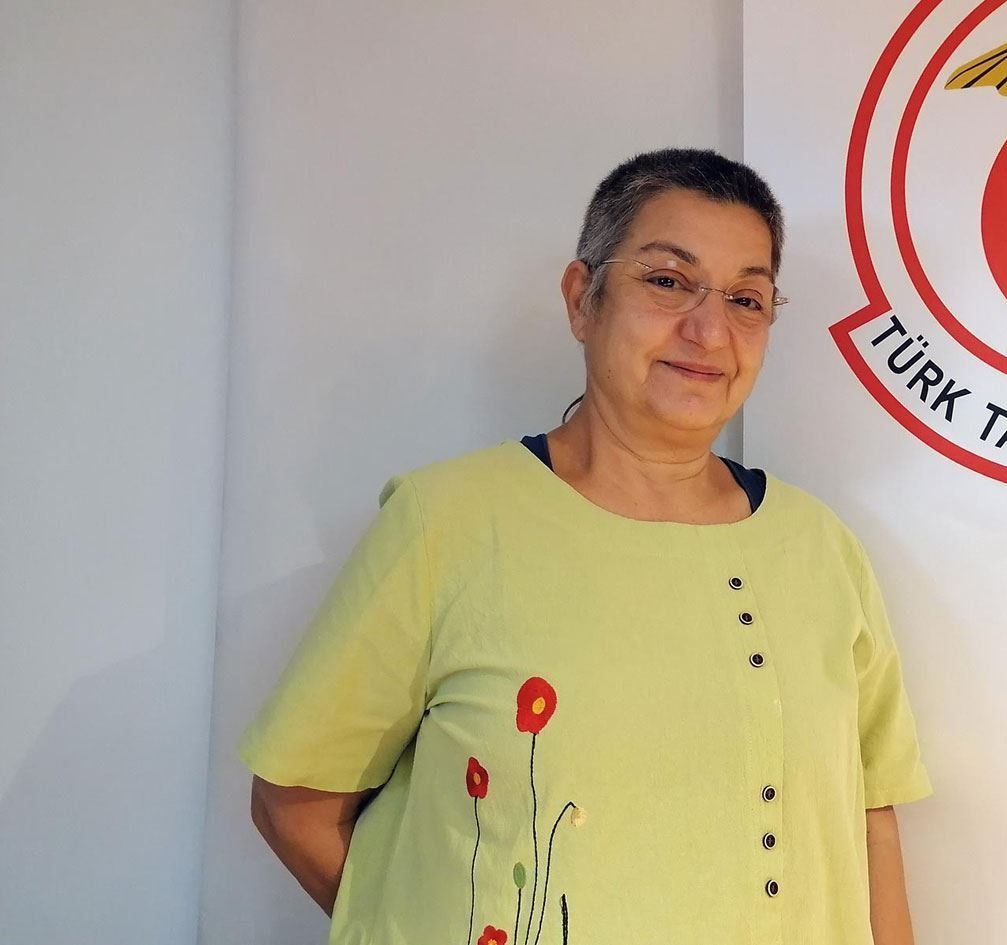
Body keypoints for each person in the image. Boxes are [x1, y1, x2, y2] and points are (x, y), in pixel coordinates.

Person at [239, 147, 935, 945]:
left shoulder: (820, 549)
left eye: (747, 299)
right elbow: (296, 802)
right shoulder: (447, 524)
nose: (709, 330)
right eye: (667, 280)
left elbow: (870, 823)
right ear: (582, 299)